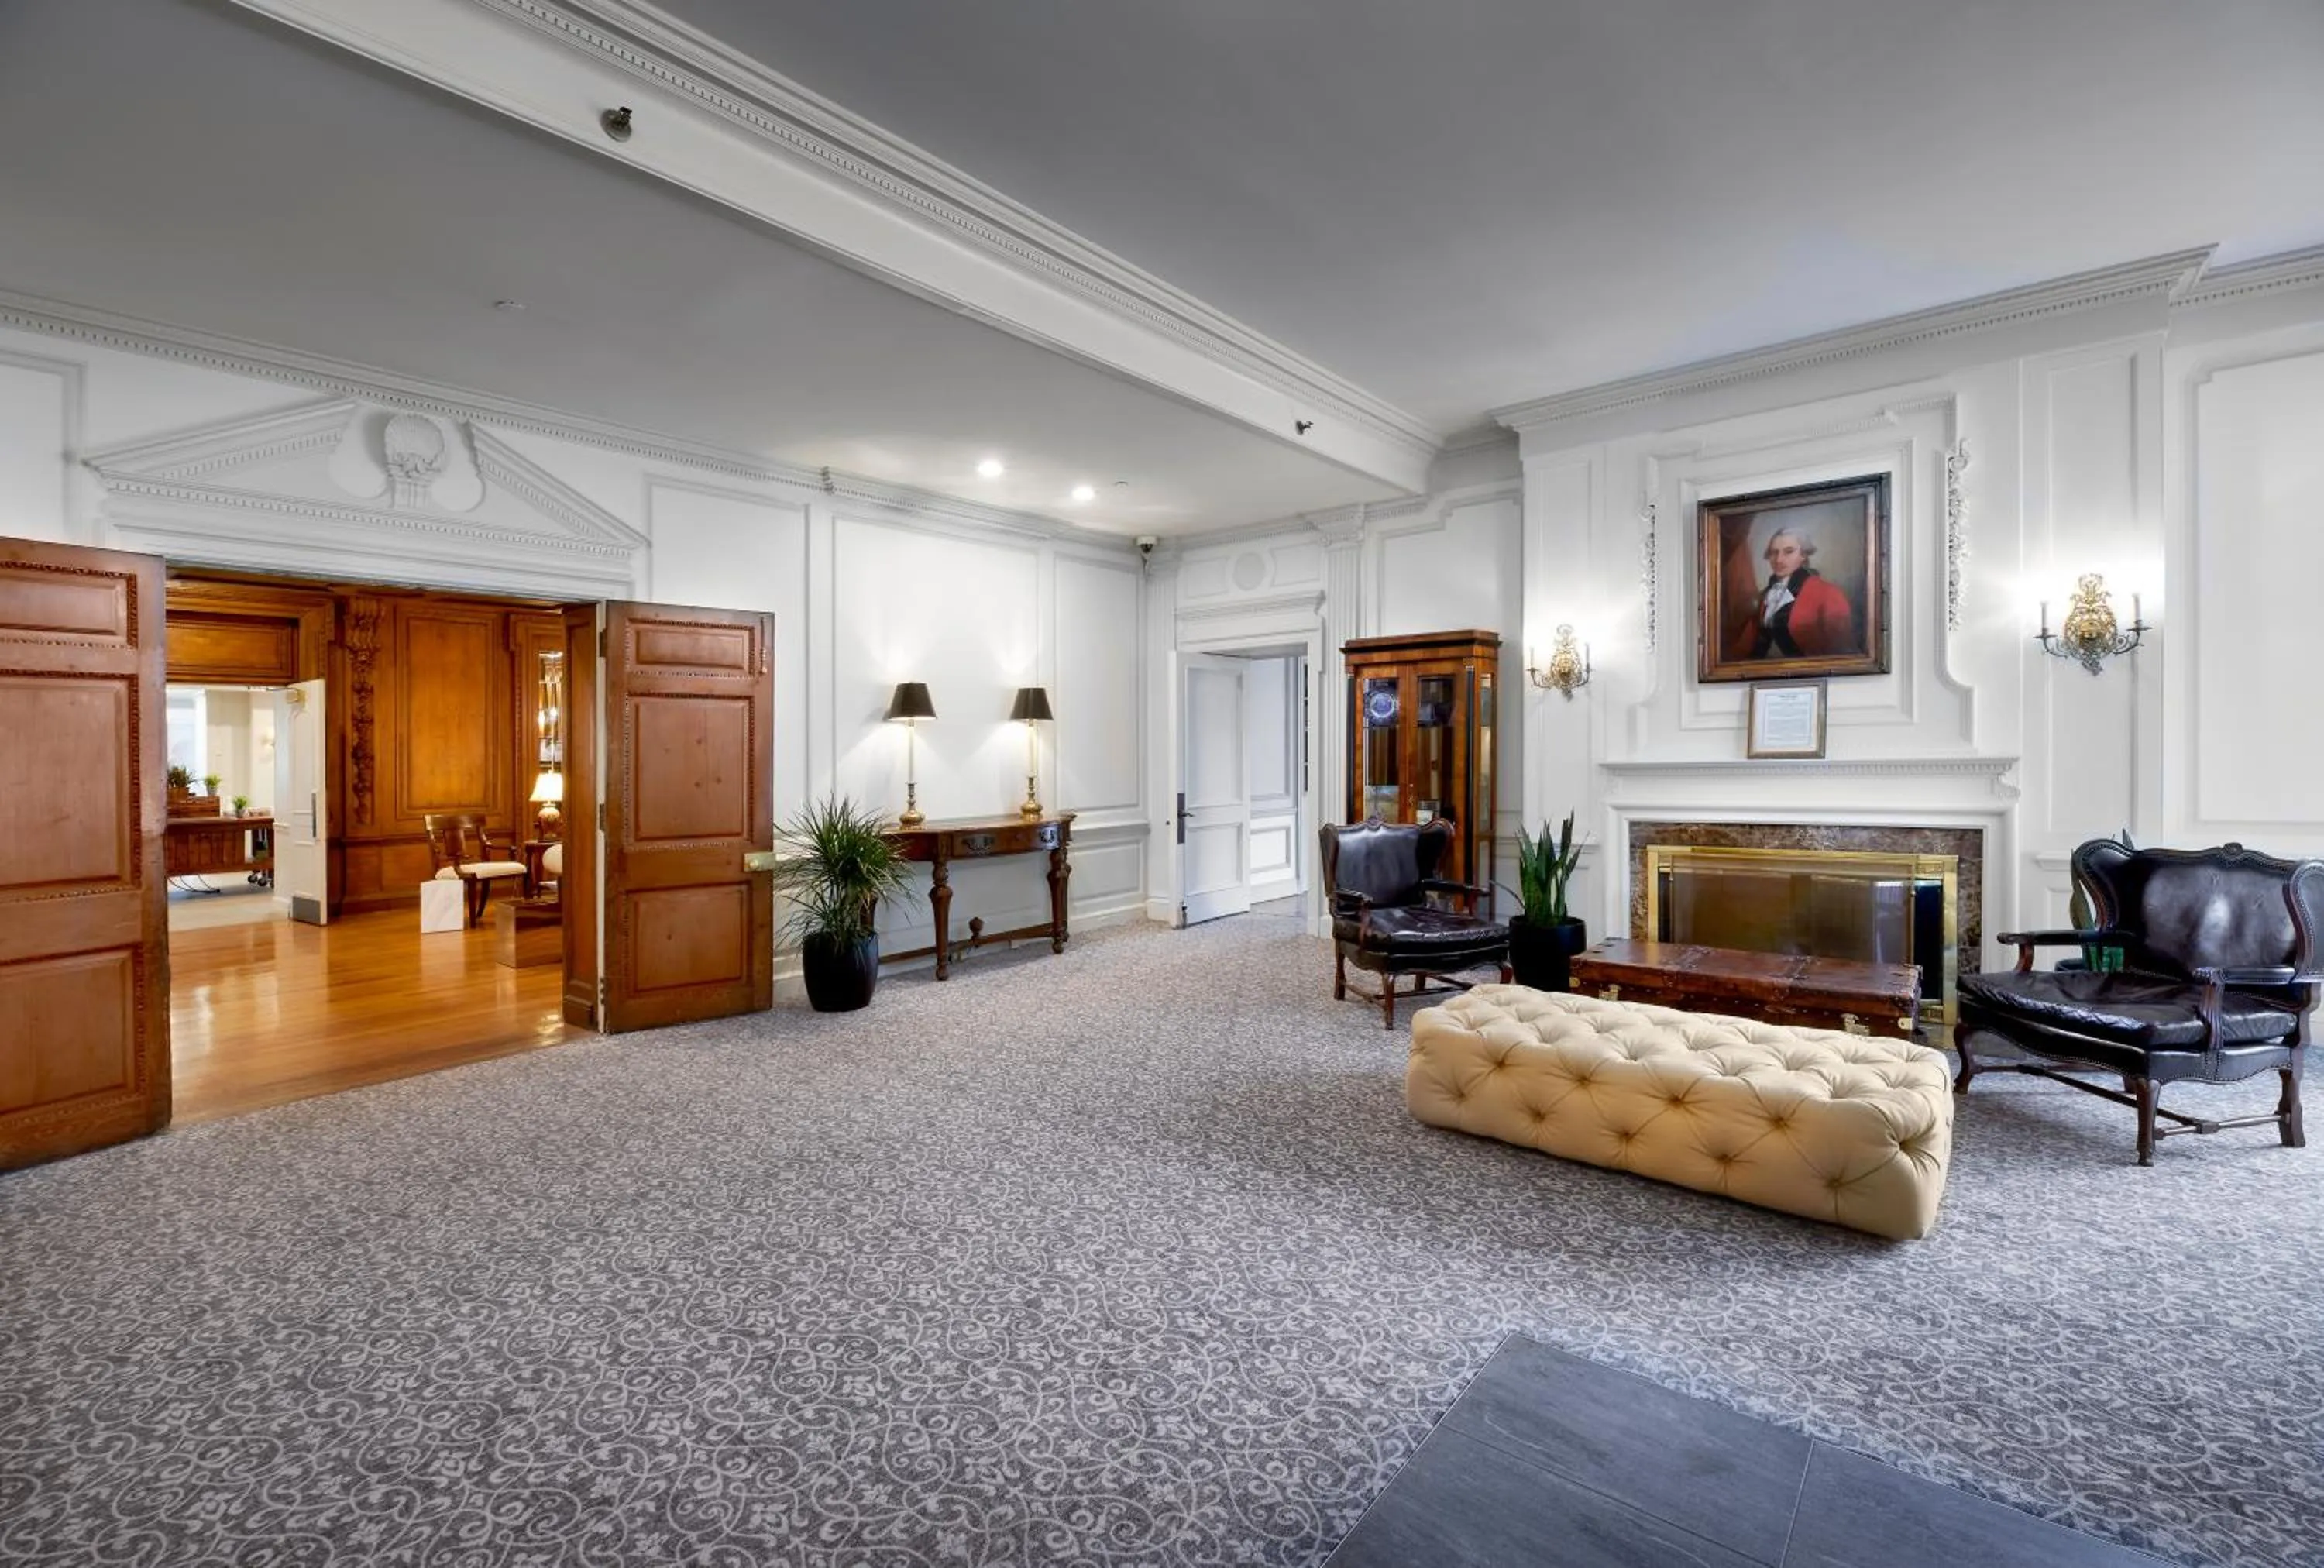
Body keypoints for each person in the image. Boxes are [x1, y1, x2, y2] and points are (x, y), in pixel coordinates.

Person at [1732, 525, 1854, 660]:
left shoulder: (1828, 594)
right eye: (1774, 552)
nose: (1779, 560)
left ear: (1803, 555)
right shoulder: (1766, 596)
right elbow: (1748, 644)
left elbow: (1840, 650)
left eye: (1788, 552)